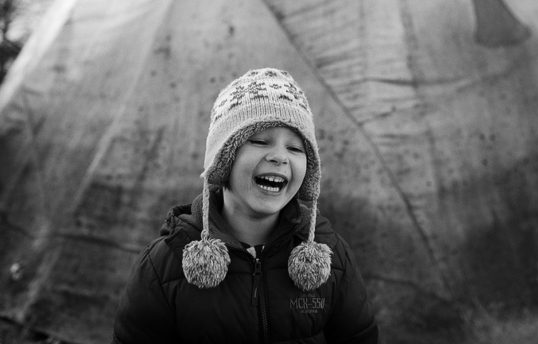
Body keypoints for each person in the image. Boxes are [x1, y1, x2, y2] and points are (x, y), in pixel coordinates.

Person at [112, 67, 379, 344]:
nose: (279, 157)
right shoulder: (164, 264)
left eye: (296, 148)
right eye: (260, 141)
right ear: (223, 159)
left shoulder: (331, 259)